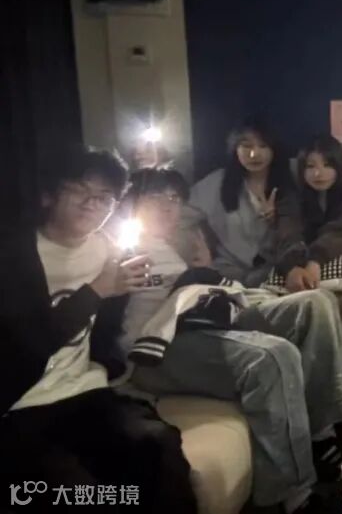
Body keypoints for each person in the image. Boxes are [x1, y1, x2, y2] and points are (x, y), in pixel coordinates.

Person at [123, 167, 342, 514]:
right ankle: (292, 496)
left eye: (173, 198)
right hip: (155, 351)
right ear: (132, 202)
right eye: (156, 198)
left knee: (316, 303)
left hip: (199, 321)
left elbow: (195, 291)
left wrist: (204, 267)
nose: (168, 207)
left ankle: (320, 434)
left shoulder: (175, 245)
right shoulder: (118, 245)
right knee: (273, 356)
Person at [0, 148, 196, 513]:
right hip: (22, 404)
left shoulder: (108, 249)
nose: (92, 203)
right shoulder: (14, 254)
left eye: (105, 196)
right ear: (48, 194)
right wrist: (97, 290)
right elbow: (28, 341)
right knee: (77, 492)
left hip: (84, 391)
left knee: (158, 445)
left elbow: (113, 321)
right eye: (79, 189)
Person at [188, 117, 306, 287]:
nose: (254, 154)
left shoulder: (293, 173)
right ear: (235, 149)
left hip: (276, 269)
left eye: (263, 146)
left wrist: (278, 218)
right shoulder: (216, 183)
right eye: (246, 146)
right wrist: (199, 246)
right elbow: (182, 216)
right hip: (228, 272)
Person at [283, 134, 342, 292]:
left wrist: (315, 261)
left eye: (327, 165)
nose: (318, 173)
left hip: (341, 271)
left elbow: (341, 231)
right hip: (301, 267)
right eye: (310, 166)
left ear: (339, 167)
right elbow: (288, 231)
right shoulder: (295, 199)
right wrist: (292, 266)